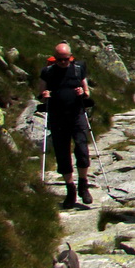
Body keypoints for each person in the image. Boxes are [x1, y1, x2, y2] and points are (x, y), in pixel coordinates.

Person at [39, 42, 92, 208]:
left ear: (70, 57)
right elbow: (40, 94)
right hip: (57, 117)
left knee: (82, 149)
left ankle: (83, 184)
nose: (63, 62)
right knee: (62, 153)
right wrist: (44, 95)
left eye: (66, 59)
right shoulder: (47, 72)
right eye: (60, 59)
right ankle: (70, 190)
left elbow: (87, 91)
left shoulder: (78, 69)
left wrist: (83, 93)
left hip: (76, 114)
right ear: (54, 58)